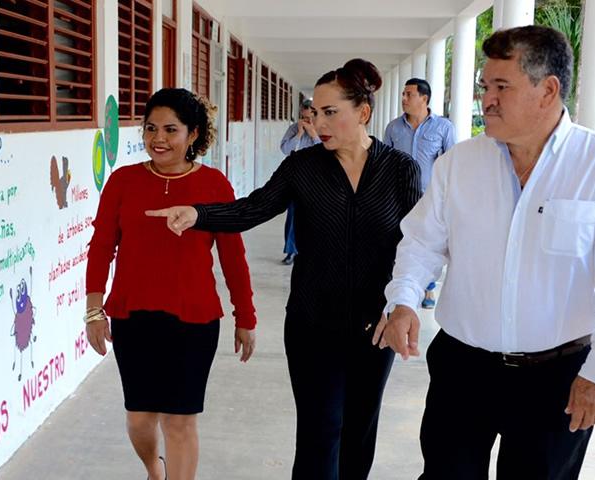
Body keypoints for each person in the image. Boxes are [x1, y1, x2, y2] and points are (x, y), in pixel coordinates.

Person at [374, 26, 595, 479]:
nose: (488, 99)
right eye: (486, 86)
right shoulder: (459, 165)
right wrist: (403, 300)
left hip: (557, 378)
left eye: (502, 87)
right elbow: (422, 242)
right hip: (462, 370)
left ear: (548, 90)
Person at [147, 59, 421, 479]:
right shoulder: (303, 167)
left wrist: (402, 303)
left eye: (331, 112)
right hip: (313, 323)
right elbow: (252, 208)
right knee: (319, 431)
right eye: (316, 111)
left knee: (359, 431)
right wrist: (198, 214)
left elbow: (416, 242)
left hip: (375, 325)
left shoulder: (401, 169)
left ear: (362, 112)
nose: (319, 122)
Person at [84, 88, 257, 480]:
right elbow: (100, 250)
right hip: (133, 316)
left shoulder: (214, 185)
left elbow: (233, 257)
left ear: (193, 134)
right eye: (150, 129)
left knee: (180, 422)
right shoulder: (123, 181)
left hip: (193, 320)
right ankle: (154, 469)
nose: (158, 139)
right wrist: (94, 310)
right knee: (140, 418)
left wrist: (245, 317)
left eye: (170, 130)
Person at [382, 78, 456, 309]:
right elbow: (385, 163)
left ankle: (429, 288)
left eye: (409, 94)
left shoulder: (444, 128)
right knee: (400, 241)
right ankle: (403, 288)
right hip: (397, 197)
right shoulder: (394, 128)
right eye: (403, 94)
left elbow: (451, 163)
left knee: (428, 243)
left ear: (424, 98)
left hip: (429, 198)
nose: (404, 99)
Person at [278, 100, 321, 265]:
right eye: (303, 118)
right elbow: (285, 149)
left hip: (316, 179)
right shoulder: (293, 129)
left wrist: (313, 134)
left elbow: (326, 152)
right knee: (293, 215)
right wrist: (299, 134)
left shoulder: (321, 128)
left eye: (309, 117)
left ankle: (311, 251)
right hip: (296, 178)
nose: (306, 121)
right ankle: (290, 251)